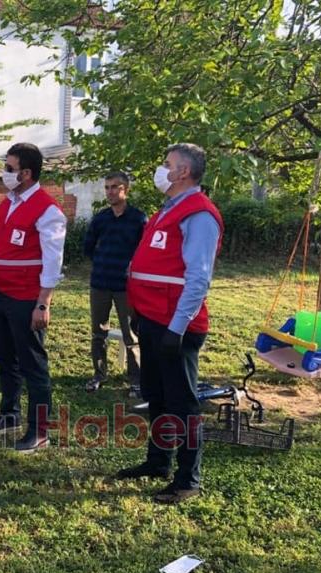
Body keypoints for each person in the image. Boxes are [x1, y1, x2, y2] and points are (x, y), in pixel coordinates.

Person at [117, 143, 223, 505]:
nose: (162, 170)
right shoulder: (167, 210)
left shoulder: (199, 215)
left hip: (176, 326)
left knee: (183, 403)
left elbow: (198, 279)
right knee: (157, 396)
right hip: (150, 319)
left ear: (183, 173)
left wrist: (177, 328)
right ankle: (157, 462)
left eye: (167, 165)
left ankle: (188, 480)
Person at [0, 143, 67, 453]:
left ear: (27, 173)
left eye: (9, 168)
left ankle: (40, 430)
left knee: (33, 364)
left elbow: (53, 261)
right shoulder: (7, 203)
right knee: (5, 358)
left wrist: (43, 302)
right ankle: (9, 414)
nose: (4, 173)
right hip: (1, 296)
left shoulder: (48, 210)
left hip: (27, 299)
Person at [83, 171, 146, 397]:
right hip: (100, 283)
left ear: (125, 190)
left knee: (132, 334)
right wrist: (102, 262)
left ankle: (136, 380)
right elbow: (88, 246)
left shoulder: (139, 219)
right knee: (98, 332)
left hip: (126, 287)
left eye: (115, 187)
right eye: (107, 187)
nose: (110, 191)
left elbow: (145, 251)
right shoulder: (100, 218)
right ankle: (99, 374)